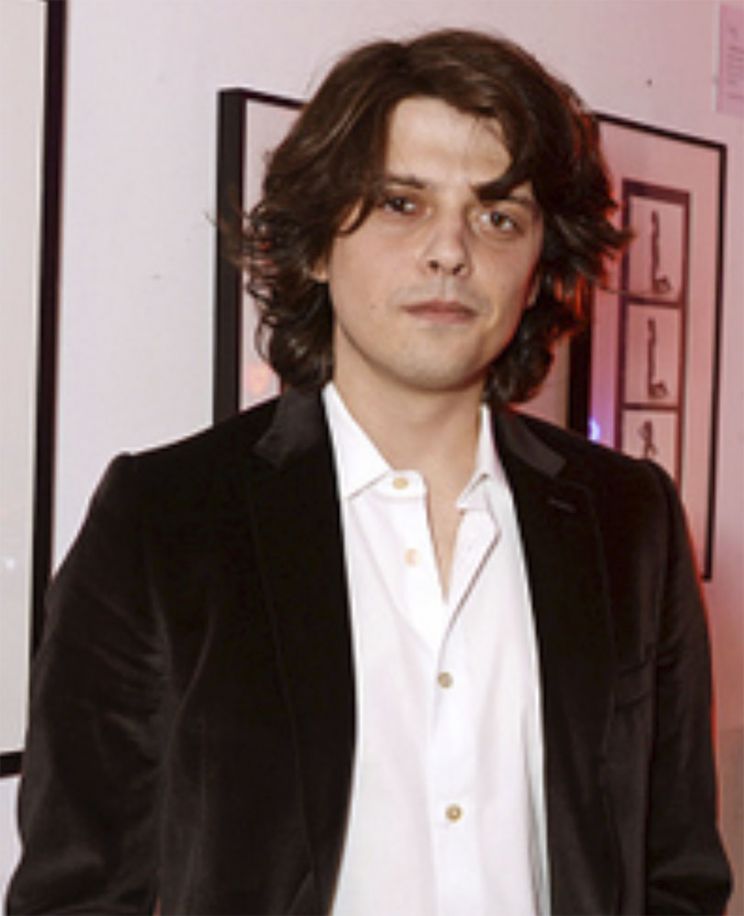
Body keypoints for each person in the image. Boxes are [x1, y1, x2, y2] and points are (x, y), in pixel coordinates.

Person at [6, 28, 731, 916]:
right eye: (400, 203)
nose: (450, 250)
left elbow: (677, 874)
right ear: (317, 245)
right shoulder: (166, 520)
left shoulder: (630, 520)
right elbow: (76, 895)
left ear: (542, 267)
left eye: (498, 216)